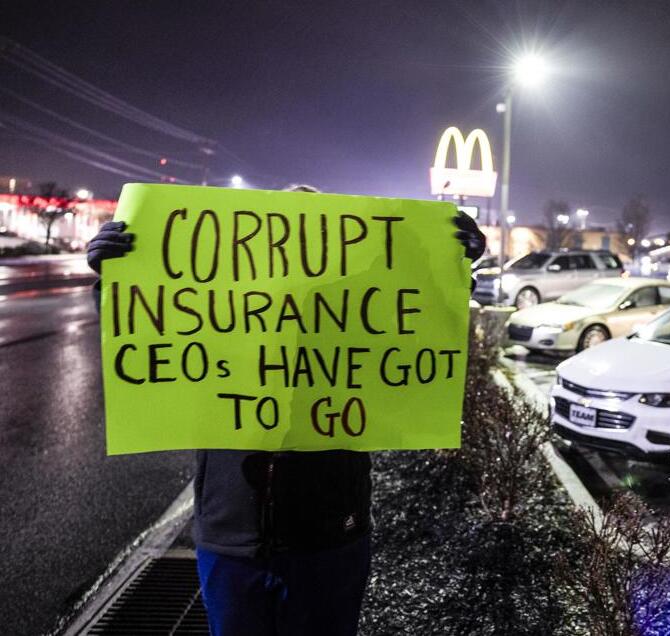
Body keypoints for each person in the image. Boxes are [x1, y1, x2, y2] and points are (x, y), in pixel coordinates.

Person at [86, 190, 485, 636]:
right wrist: (118, 277)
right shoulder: (226, 308)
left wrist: (452, 265)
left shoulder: (350, 309)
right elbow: (153, 334)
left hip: (330, 537)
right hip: (230, 536)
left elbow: (419, 322)